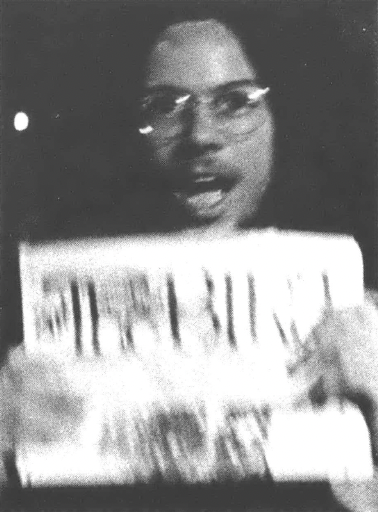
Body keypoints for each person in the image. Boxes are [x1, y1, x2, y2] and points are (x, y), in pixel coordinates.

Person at [1, 13, 377, 512]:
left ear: (282, 123)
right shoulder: (30, 324)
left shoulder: (364, 319)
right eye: (163, 107)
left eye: (236, 101)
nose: (199, 134)